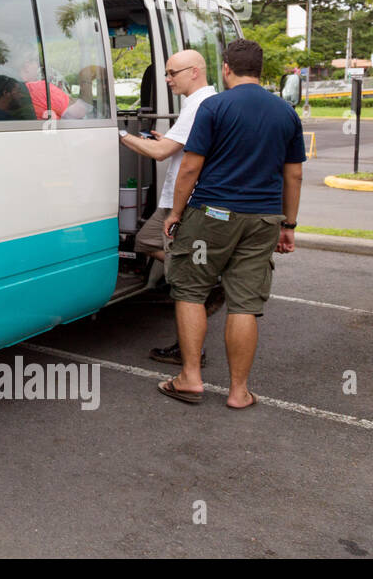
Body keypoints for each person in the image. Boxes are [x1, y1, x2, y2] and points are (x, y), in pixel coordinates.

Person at [157, 39, 305, 409]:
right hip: (263, 220)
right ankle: (239, 392)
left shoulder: (214, 106)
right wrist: (289, 224)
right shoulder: (285, 112)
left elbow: (190, 167)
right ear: (260, 69)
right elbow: (294, 176)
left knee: (191, 290)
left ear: (226, 68)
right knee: (244, 303)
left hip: (212, 216)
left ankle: (190, 378)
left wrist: (176, 213)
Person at [117, 49, 219, 364]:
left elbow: (161, 153)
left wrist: (121, 134)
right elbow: (176, 145)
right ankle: (200, 272)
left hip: (183, 203)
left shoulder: (198, 105)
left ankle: (190, 349)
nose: (167, 79)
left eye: (172, 73)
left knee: (187, 286)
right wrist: (167, 139)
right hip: (178, 201)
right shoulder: (200, 104)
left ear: (194, 72)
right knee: (148, 240)